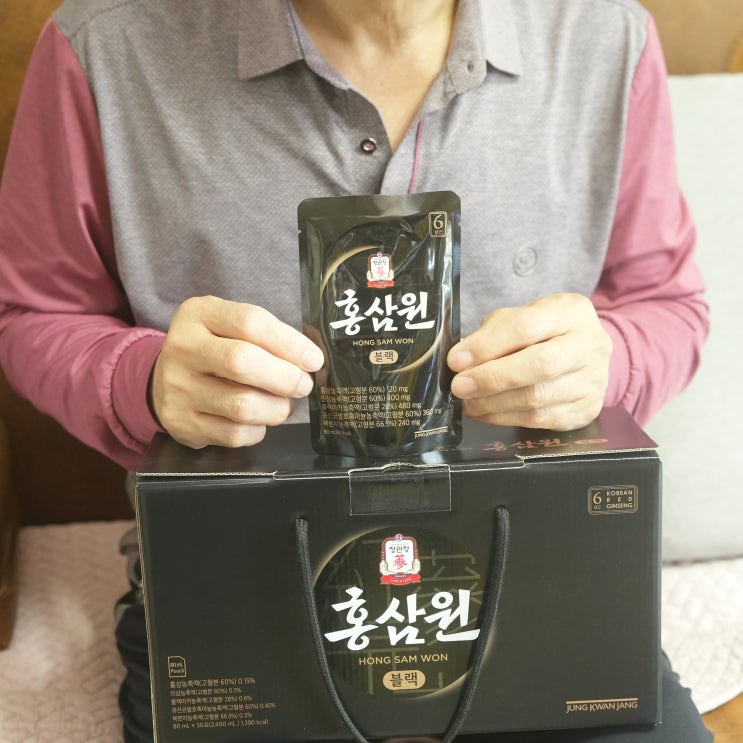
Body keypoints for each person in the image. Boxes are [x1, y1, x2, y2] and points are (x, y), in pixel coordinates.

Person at [0, 0, 711, 741]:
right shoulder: (102, 43)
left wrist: (605, 361)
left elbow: (667, 302)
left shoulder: (606, 36)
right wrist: (141, 379)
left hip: (536, 565)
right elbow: (33, 312)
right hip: (237, 572)